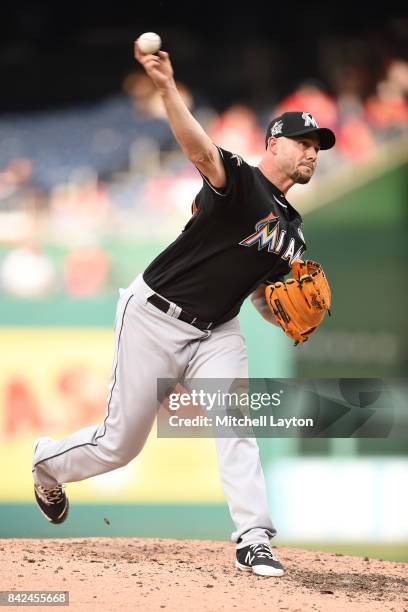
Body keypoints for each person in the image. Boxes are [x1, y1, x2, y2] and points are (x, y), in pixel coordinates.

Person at [32, 41, 336, 578]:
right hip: (153, 314)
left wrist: (289, 319)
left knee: (234, 424)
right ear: (274, 143)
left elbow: (263, 298)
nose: (312, 151)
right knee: (118, 446)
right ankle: (47, 464)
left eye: (319, 145)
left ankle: (254, 539)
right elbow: (199, 150)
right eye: (303, 141)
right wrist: (167, 87)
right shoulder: (241, 182)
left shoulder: (293, 233)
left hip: (217, 330)